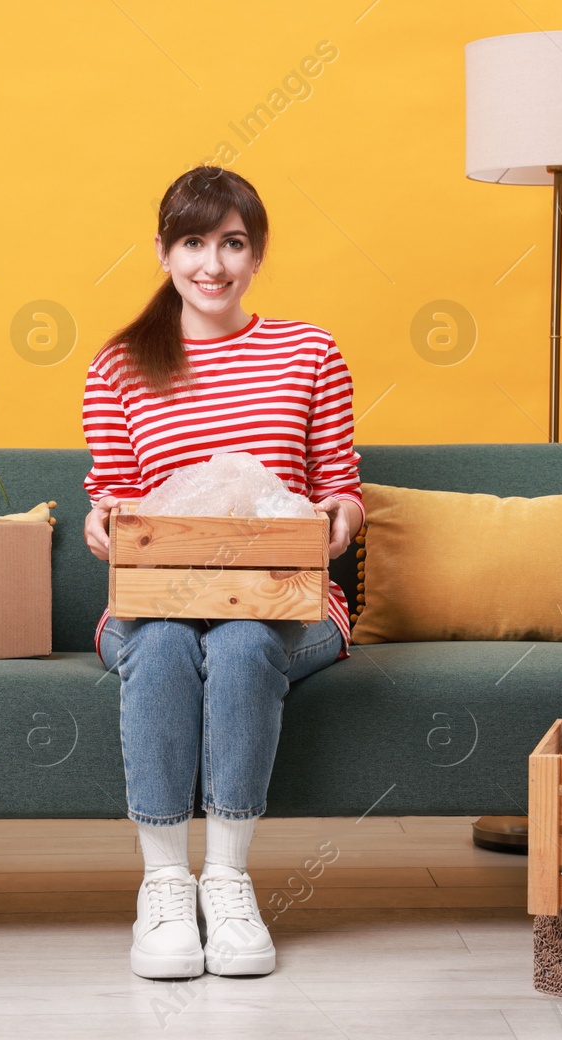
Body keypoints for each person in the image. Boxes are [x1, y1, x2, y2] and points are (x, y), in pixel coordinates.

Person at [81, 167, 364, 979]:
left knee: (241, 640)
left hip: (289, 603)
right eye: (195, 242)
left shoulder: (308, 351)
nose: (214, 264)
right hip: (156, 603)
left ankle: (229, 880)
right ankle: (166, 884)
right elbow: (116, 501)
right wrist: (104, 525)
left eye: (233, 243)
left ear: (257, 253)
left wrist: (335, 523)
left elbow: (340, 488)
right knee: (167, 642)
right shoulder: (119, 366)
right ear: (164, 252)